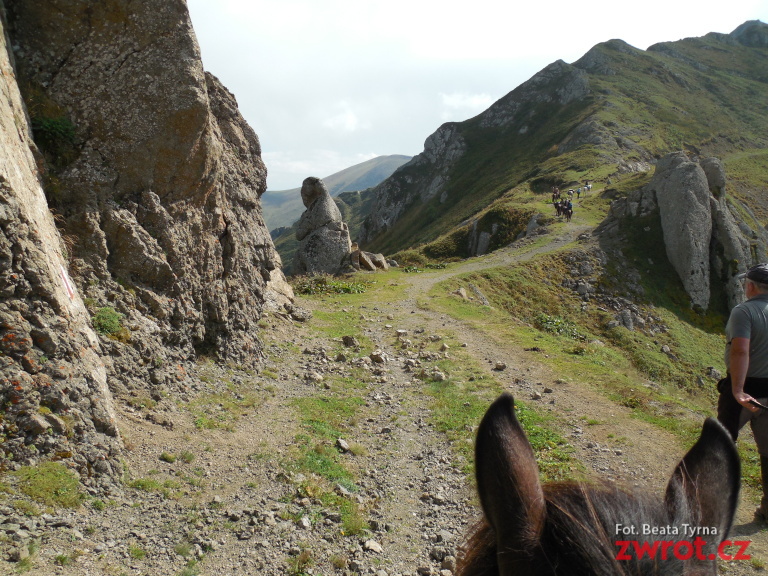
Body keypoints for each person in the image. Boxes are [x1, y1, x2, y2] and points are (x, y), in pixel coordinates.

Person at [717, 263, 768, 520]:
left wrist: (737, 390)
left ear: (750, 286)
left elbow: (740, 351)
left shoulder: (744, 311)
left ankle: (714, 506)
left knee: (722, 443)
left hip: (746, 391)